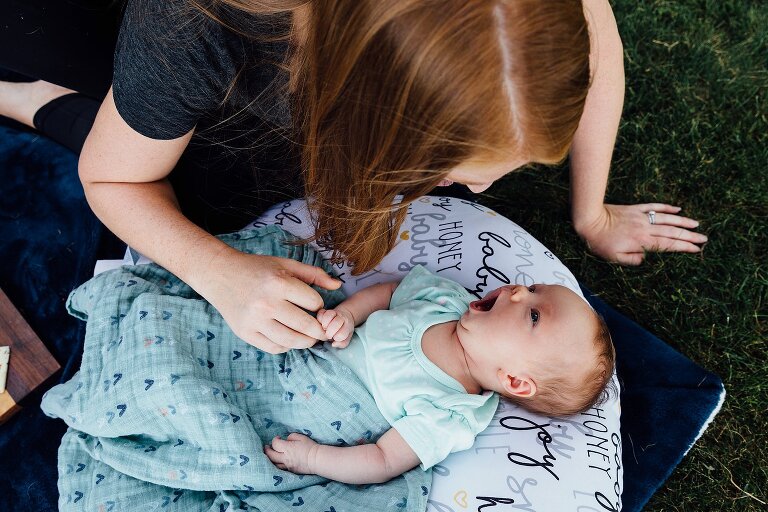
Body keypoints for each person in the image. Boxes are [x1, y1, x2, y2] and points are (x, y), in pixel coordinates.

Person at [0, 0, 707, 355]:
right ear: (361, 111)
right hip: (148, 57)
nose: (483, 191)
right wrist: (219, 272)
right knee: (189, 177)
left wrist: (593, 211)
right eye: (451, 170)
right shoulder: (197, 27)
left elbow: (594, 31)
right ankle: (30, 97)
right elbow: (116, 182)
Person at [264, 264, 615, 484]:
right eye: (535, 287)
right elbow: (389, 293)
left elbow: (382, 459)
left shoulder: (453, 412)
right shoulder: (447, 301)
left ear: (514, 381)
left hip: (320, 407)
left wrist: (311, 458)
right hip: (310, 347)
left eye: (534, 315)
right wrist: (348, 315)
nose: (520, 290)